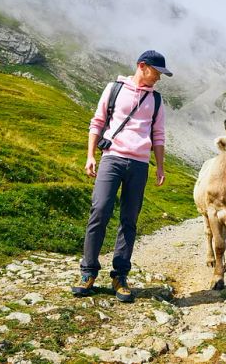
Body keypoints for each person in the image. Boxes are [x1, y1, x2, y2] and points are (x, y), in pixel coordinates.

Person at [72, 50, 172, 302]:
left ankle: (120, 276)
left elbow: (158, 135)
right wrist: (90, 156)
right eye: (157, 72)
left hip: (139, 164)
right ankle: (88, 272)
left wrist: (159, 166)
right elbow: (97, 122)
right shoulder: (114, 89)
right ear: (142, 66)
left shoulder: (156, 101)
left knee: (129, 220)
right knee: (100, 210)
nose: (159, 78)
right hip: (112, 158)